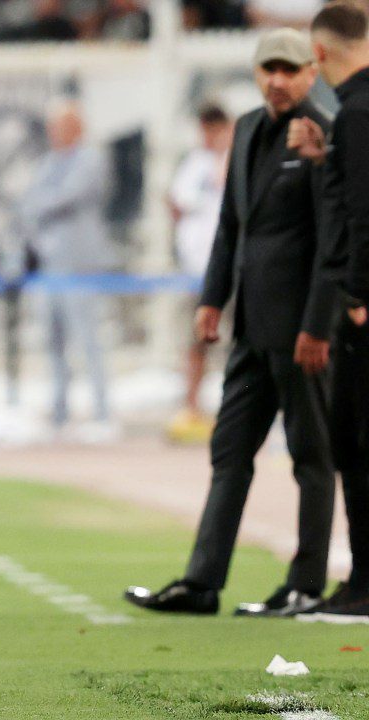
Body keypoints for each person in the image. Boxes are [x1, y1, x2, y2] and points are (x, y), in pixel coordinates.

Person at [126, 28, 340, 618]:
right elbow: (230, 224)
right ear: (256, 72)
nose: (279, 79)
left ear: (311, 72)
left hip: (302, 333)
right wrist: (212, 298)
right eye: (270, 68)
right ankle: (201, 583)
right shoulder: (245, 128)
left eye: (290, 69)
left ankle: (306, 584)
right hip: (250, 326)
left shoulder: (325, 133)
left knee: (311, 456)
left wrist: (318, 326)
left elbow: (333, 240)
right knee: (229, 450)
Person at [291, 0, 369, 621]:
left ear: (317, 54)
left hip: (362, 309)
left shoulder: (359, 113)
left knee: (355, 442)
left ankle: (365, 584)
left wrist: (360, 297)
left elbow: (363, 217)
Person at [19, 101, 115, 430]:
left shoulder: (90, 159)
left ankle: (102, 411)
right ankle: (59, 410)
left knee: (88, 340)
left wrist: (38, 203)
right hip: (49, 268)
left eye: (60, 126)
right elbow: (29, 202)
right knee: (53, 341)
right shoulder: (48, 163)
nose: (54, 133)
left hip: (80, 266)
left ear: (76, 128)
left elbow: (66, 196)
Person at [166, 105, 235, 443]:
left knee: (237, 342)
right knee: (196, 341)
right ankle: (192, 408)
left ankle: (238, 411)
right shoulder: (194, 163)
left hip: (233, 269)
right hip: (197, 271)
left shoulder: (237, 158)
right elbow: (176, 202)